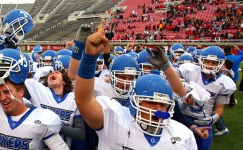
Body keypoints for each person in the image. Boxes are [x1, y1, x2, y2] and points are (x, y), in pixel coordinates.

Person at [74, 20, 197, 149]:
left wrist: (167, 67)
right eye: (150, 102)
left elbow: (181, 95)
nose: (158, 110)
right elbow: (84, 101)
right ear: (135, 100)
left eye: (163, 104)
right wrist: (89, 58)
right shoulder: (114, 118)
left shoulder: (183, 135)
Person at [176, 46, 236, 150]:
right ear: (201, 60)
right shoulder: (189, 70)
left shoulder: (225, 83)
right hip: (183, 116)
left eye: (214, 63)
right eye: (207, 61)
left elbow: (220, 108)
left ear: (220, 63)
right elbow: (174, 88)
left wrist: (212, 118)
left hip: (203, 120)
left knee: (201, 147)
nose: (209, 65)